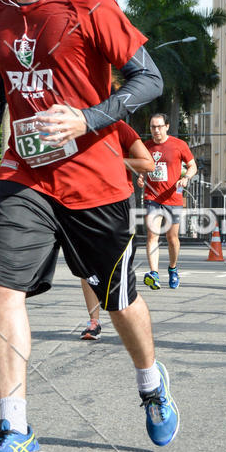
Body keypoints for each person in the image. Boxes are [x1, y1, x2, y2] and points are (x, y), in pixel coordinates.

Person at [0, 0, 179, 452]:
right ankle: (15, 428)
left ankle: (151, 382)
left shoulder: (88, 4)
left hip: (95, 180)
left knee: (118, 299)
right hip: (24, 177)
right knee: (4, 290)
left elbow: (149, 78)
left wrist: (90, 119)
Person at [80, 119, 154, 340]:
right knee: (86, 265)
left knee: (119, 270)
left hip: (119, 204)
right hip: (84, 202)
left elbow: (148, 163)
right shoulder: (76, 128)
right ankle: (93, 322)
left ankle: (130, 319)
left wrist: (112, 161)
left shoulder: (119, 127)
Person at [137, 113, 197, 290]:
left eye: (159, 126)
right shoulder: (146, 146)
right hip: (152, 197)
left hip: (173, 198)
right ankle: (154, 274)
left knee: (172, 238)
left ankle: (172, 268)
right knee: (152, 235)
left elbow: (192, 166)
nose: (156, 130)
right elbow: (144, 169)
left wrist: (186, 177)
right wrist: (141, 177)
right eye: (153, 127)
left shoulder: (179, 145)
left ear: (167, 126)